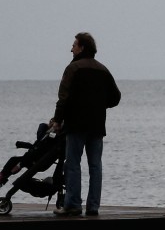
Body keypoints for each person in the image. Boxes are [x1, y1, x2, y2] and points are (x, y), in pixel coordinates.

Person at [51, 31, 120, 216]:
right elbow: (116, 97)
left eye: (74, 45)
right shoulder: (103, 70)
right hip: (97, 125)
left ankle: (73, 205)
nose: (71, 49)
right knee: (95, 166)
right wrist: (99, 105)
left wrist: (57, 120)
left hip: (76, 124)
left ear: (82, 48)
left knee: (73, 164)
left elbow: (63, 97)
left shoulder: (73, 68)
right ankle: (93, 206)